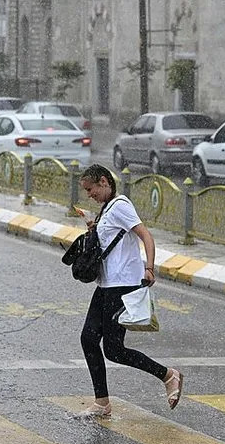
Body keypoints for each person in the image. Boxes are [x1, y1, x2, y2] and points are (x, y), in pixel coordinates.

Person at [77, 164, 183, 417]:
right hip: (105, 285)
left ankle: (168, 375)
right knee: (89, 339)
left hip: (122, 285)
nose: (89, 195)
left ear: (104, 182)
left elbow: (146, 235)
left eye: (91, 189)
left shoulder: (121, 205)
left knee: (114, 349)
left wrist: (149, 268)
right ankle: (102, 402)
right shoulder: (107, 209)